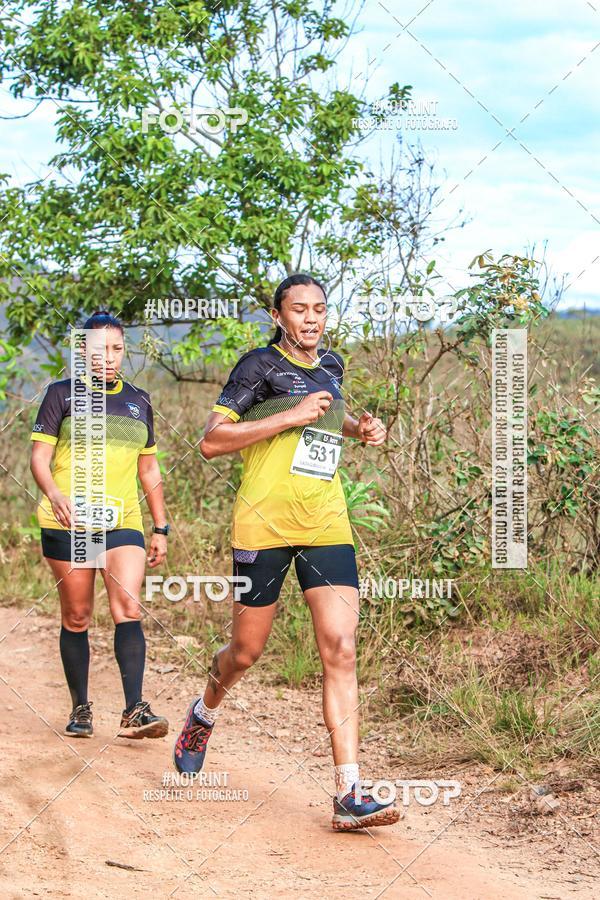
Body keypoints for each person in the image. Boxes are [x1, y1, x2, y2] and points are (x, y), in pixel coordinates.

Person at [173, 274, 400, 831]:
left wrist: (359, 427)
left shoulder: (333, 366)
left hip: (325, 522)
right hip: (263, 527)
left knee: (341, 647)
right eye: (299, 310)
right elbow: (210, 441)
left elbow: (327, 417)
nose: (311, 318)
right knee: (245, 653)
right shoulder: (257, 368)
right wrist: (287, 416)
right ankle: (204, 712)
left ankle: (349, 792)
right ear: (279, 316)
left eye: (319, 309)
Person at [30, 311, 169, 740]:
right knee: (77, 615)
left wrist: (160, 526)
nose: (107, 357)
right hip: (69, 522)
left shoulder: (139, 400)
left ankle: (134, 710)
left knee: (128, 608)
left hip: (122, 520)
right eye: (97, 350)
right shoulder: (61, 395)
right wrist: (55, 495)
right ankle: (81, 708)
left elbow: (149, 471)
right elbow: (38, 459)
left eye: (115, 349)